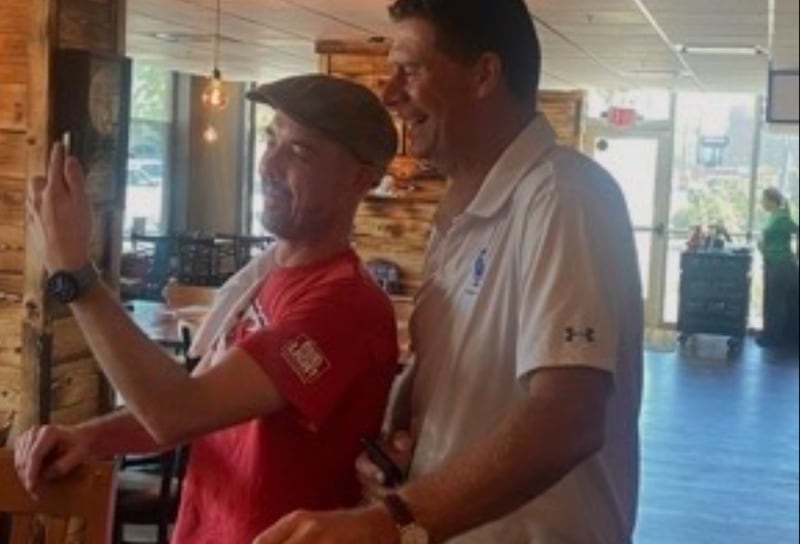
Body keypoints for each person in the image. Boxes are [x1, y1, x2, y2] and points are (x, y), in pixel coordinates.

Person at [253, 0, 644, 543]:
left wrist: (389, 522)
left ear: (484, 74)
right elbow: (469, 384)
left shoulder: (564, 196)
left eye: (410, 70)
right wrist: (406, 442)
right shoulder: (460, 217)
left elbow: (567, 418)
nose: (390, 93)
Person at [14, 74, 401, 544]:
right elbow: (202, 407)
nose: (268, 164)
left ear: (360, 179)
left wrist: (77, 276)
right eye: (270, 138)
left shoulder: (343, 306)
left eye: (300, 152)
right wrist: (91, 438)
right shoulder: (269, 275)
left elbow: (176, 411)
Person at [757, 187, 799, 348]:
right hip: (772, 263)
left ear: (771, 200)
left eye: (763, 199)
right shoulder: (773, 216)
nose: (761, 202)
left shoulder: (781, 217)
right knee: (772, 302)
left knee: (777, 303)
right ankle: (771, 336)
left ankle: (775, 339)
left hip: (782, 264)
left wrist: (797, 253)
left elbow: (797, 230)